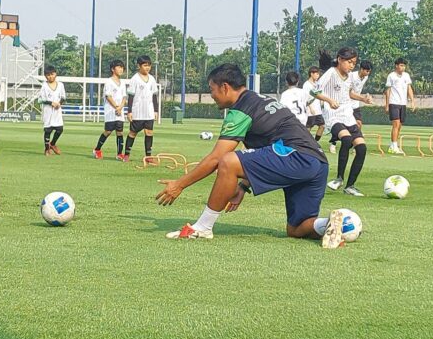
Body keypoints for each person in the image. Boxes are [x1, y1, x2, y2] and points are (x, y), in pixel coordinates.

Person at [157, 64, 346, 249]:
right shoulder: (258, 99)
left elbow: (217, 158)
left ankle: (203, 227)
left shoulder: (240, 110)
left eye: (211, 89)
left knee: (227, 161)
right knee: (297, 229)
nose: (211, 95)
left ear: (225, 87)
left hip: (297, 156)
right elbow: (260, 148)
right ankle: (334, 225)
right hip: (318, 163)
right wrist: (243, 186)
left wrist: (179, 185)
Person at [313, 49, 373, 197]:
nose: (351, 65)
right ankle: (339, 178)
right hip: (333, 116)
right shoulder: (331, 73)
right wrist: (329, 100)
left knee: (362, 148)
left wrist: (363, 99)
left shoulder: (350, 76)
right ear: (339, 59)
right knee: (346, 139)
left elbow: (349, 93)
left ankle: (350, 186)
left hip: (348, 115)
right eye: (349, 62)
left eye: (353, 63)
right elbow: (314, 92)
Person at [124, 56, 159, 162]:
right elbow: (130, 96)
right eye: (145, 65)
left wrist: (155, 111)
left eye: (149, 65)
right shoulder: (135, 79)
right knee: (132, 133)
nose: (147, 67)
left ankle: (148, 156)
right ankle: (126, 155)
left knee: (149, 133)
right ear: (139, 66)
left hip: (148, 112)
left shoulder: (152, 79)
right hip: (137, 111)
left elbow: (154, 96)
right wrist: (129, 111)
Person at [93, 60, 128, 160]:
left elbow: (124, 97)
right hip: (110, 111)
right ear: (113, 69)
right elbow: (108, 96)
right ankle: (97, 149)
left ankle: (119, 154)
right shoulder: (109, 82)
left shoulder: (122, 83)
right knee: (108, 131)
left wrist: (120, 107)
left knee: (120, 132)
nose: (121, 69)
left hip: (120, 111)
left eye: (122, 67)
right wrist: (116, 107)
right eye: (118, 67)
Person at [384, 58, 416, 154]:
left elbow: (409, 88)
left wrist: (412, 101)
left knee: (400, 125)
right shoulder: (391, 76)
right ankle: (394, 146)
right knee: (396, 124)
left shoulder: (406, 76)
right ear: (396, 66)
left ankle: (393, 145)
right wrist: (387, 105)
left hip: (403, 103)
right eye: (401, 65)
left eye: (404, 66)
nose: (403, 68)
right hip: (394, 102)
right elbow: (388, 91)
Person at [39, 65, 66, 155]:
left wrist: (59, 103)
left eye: (52, 74)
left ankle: (53, 144)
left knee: (60, 129)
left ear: (55, 74)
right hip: (48, 111)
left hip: (57, 111)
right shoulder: (44, 86)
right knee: (48, 130)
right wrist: (51, 103)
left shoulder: (61, 85)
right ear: (45, 76)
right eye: (48, 75)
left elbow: (63, 97)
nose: (50, 76)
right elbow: (40, 100)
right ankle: (47, 149)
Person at [301, 67, 326, 143]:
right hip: (310, 110)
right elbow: (306, 98)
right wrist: (310, 108)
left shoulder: (317, 84)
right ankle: (304, 142)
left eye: (318, 74)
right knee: (308, 128)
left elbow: (319, 94)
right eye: (316, 74)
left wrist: (322, 103)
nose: (318, 76)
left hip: (318, 110)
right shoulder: (306, 85)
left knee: (322, 126)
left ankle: (315, 142)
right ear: (311, 74)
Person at [351, 60, 373, 130]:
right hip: (347, 104)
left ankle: (357, 139)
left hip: (355, 104)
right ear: (361, 69)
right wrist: (363, 99)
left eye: (369, 71)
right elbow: (350, 93)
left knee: (359, 123)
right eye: (367, 71)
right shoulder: (352, 76)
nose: (368, 73)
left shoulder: (365, 77)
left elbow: (359, 89)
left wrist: (367, 96)